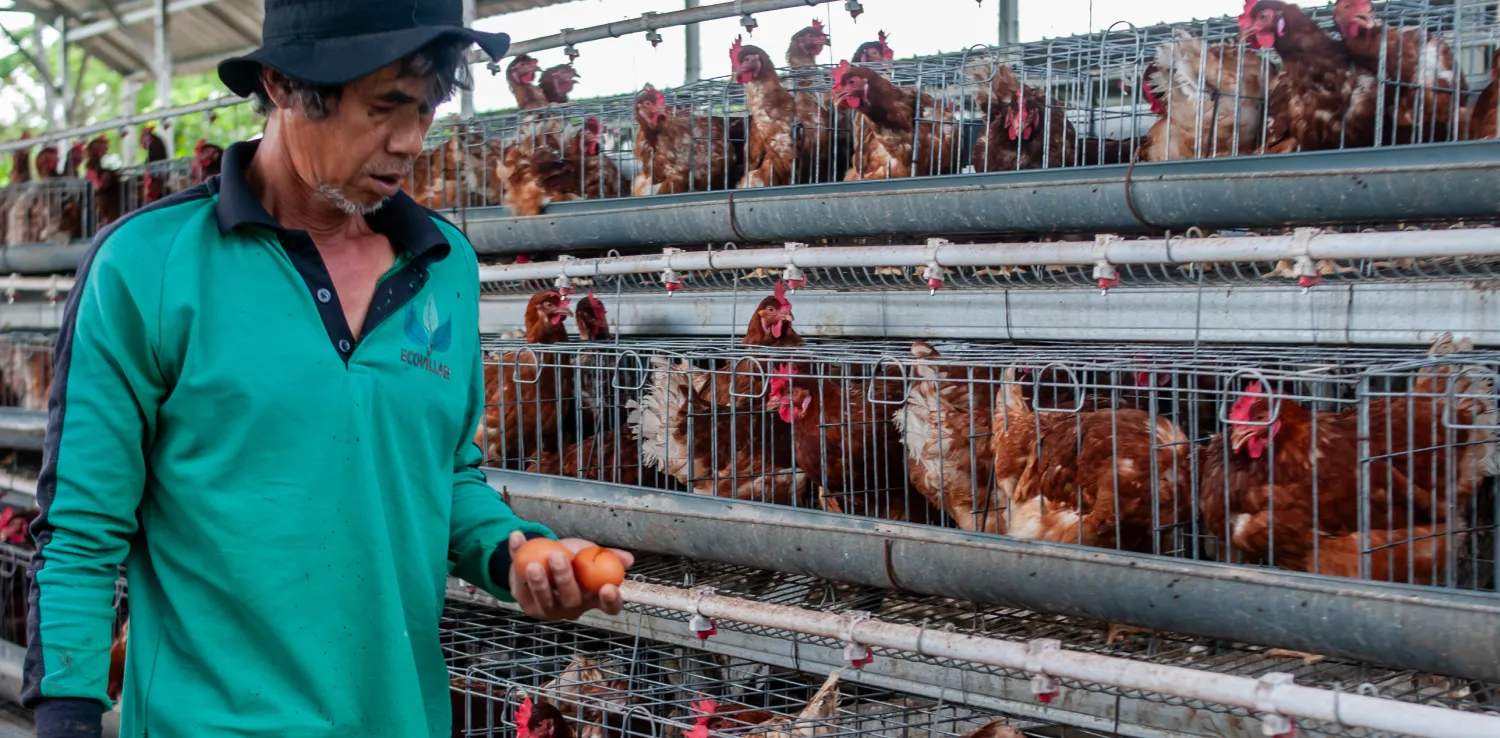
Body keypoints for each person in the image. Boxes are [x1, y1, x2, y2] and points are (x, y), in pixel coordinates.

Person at [21, 1, 631, 736]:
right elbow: (80, 533)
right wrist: (66, 717)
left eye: (427, 109)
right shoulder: (148, 266)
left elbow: (443, 475)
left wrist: (516, 557)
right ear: (282, 85)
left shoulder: (444, 265)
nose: (410, 142)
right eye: (384, 107)